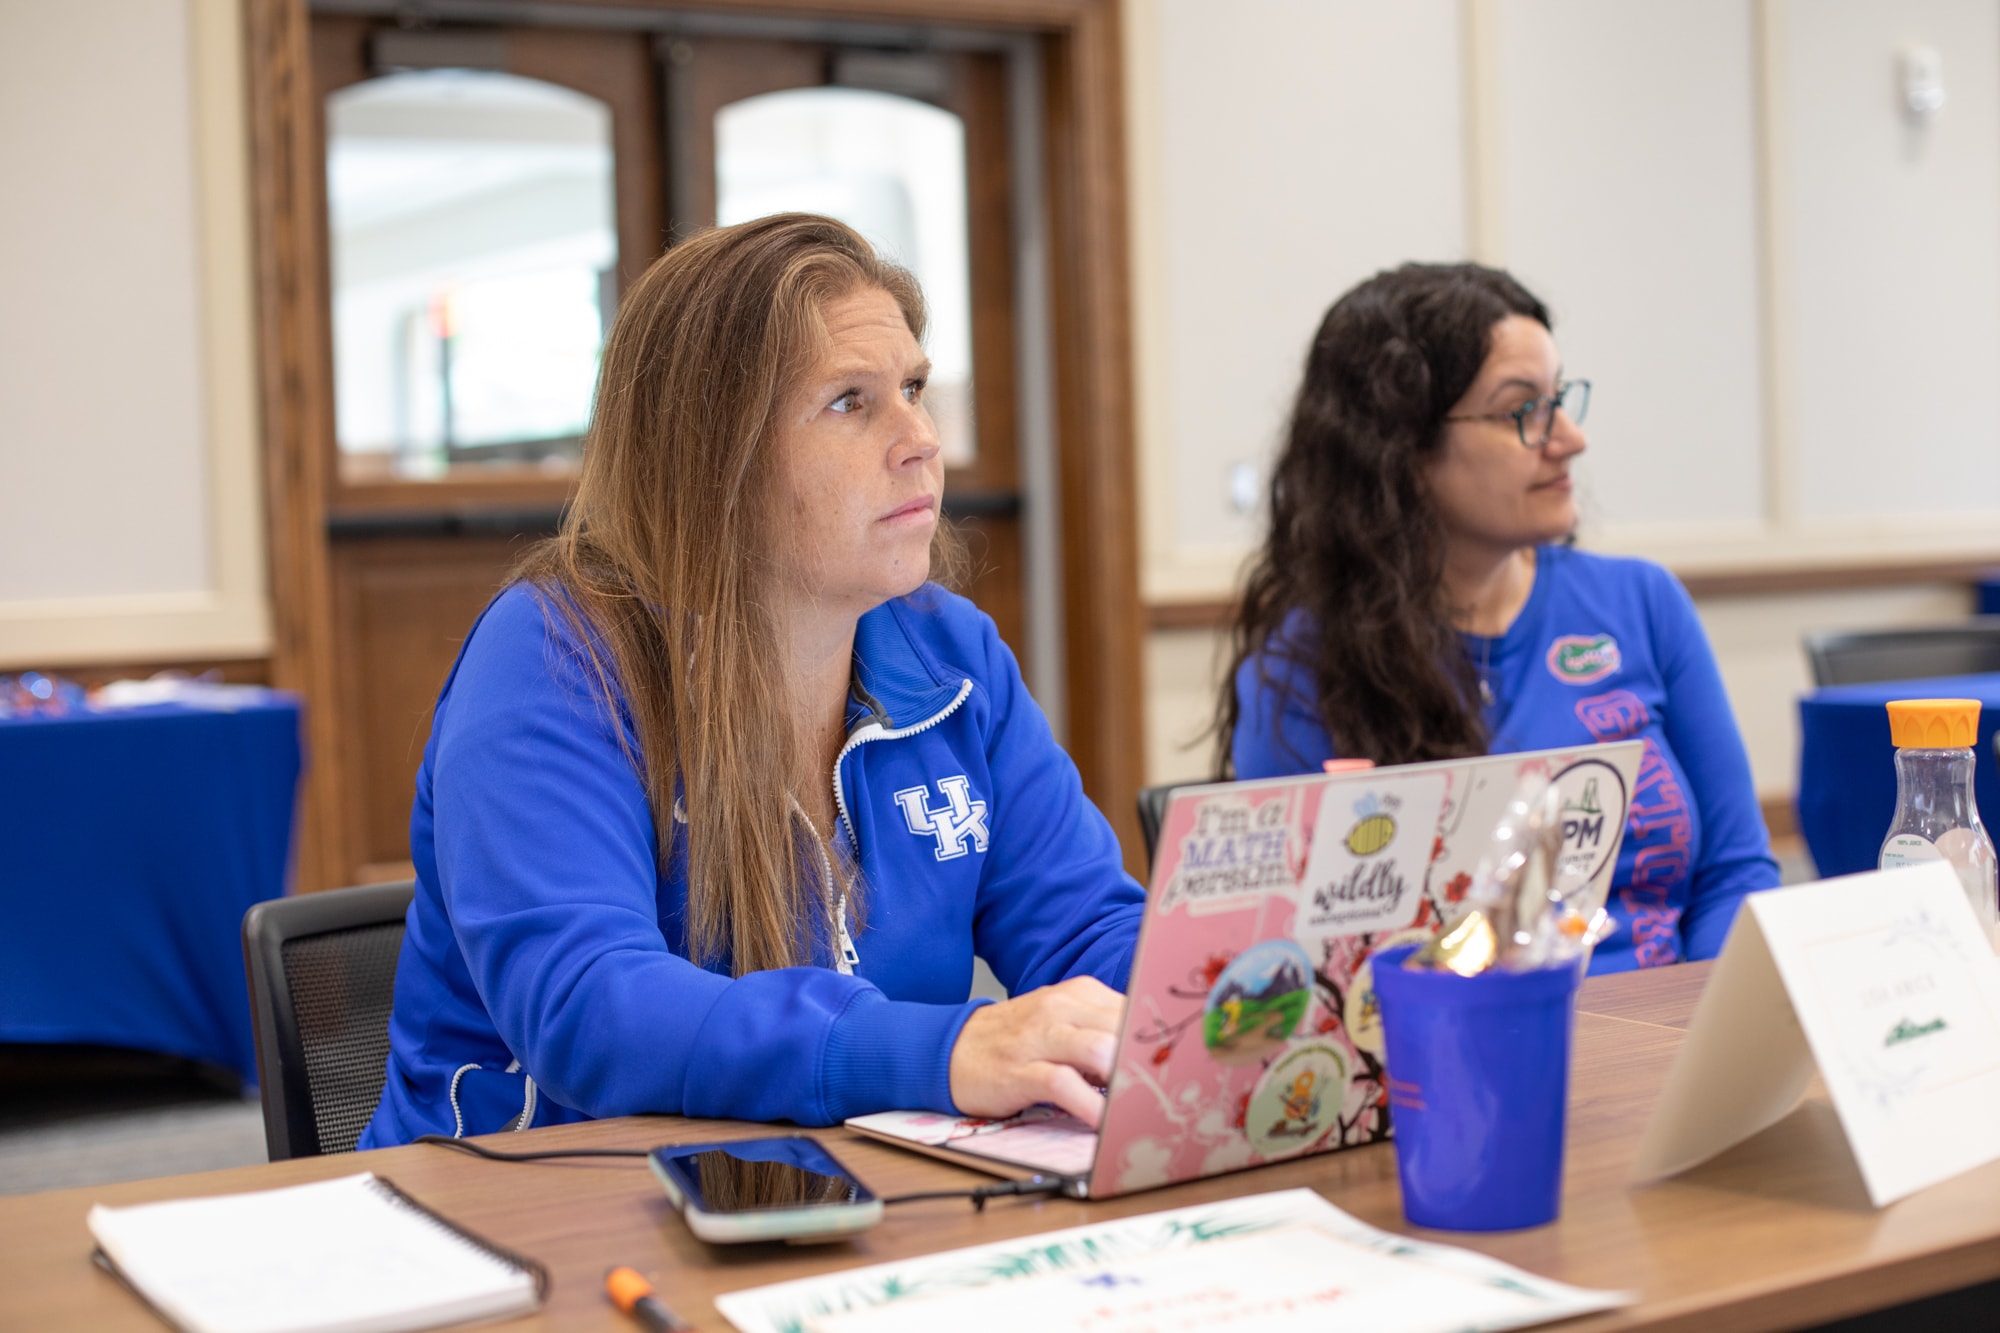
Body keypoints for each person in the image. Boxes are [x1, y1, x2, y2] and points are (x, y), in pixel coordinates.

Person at [360, 215, 1142, 1148]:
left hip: (843, 1193)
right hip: (535, 1220)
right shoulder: (551, 657)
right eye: (850, 402)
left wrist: (1223, 1007)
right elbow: (593, 1006)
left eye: (914, 389)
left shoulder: (952, 654)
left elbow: (1090, 929)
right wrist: (943, 1049)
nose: (921, 439)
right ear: (712, 456)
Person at [1219, 262, 1777, 973]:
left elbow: (1736, 873)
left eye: (1562, 399)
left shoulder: (1643, 603)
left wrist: (1700, 1034)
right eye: (1525, 410)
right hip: (1464, 1062)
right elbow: (1322, 968)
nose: (1571, 437)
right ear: (1403, 452)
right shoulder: (1301, 670)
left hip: (1675, 1047)